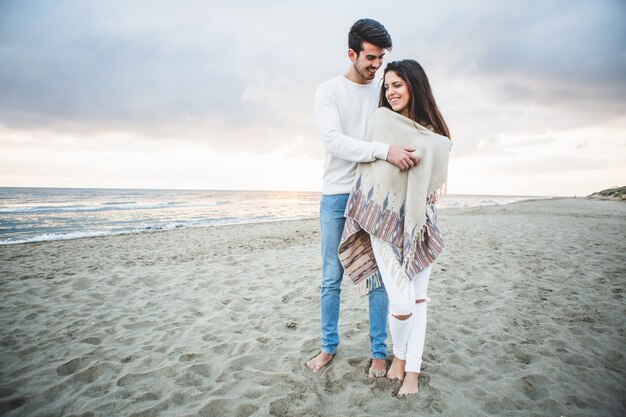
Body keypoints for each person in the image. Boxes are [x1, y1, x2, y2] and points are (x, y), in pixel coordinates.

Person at [306, 19, 418, 376]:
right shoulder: (328, 91)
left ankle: (379, 353)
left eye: (381, 58)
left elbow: (406, 121)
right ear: (351, 53)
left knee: (379, 278)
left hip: (374, 196)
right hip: (337, 195)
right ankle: (327, 347)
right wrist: (384, 150)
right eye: (370, 57)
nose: (376, 65)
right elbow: (334, 141)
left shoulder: (381, 91)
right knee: (330, 277)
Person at [338, 59, 452, 396]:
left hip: (420, 224)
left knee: (418, 301)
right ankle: (400, 357)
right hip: (382, 223)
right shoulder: (381, 121)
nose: (390, 92)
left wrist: (430, 149)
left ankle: (409, 368)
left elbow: (439, 155)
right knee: (401, 302)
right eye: (387, 87)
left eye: (397, 85)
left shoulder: (431, 132)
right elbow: (368, 169)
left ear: (414, 85)